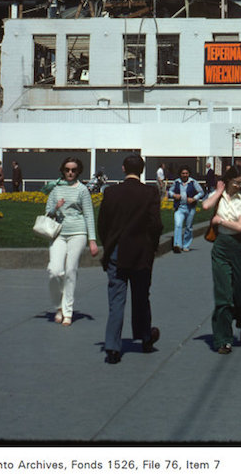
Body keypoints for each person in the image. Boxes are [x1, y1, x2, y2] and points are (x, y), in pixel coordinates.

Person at [97, 153, 162, 365]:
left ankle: (113, 347)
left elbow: (103, 224)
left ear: (123, 169)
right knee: (141, 297)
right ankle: (144, 338)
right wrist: (152, 246)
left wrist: (108, 245)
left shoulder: (111, 192)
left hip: (116, 251)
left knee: (116, 300)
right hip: (141, 252)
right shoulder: (150, 193)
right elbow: (155, 224)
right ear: (142, 170)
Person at [202, 165, 241, 354]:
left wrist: (220, 221)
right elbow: (206, 206)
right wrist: (219, 191)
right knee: (223, 296)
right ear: (229, 181)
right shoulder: (220, 197)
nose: (239, 186)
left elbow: (240, 227)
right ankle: (223, 339)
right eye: (236, 182)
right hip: (221, 246)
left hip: (240, 248)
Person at [45, 156, 98, 326]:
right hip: (58, 233)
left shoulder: (82, 190)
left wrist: (92, 240)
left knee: (70, 271)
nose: (70, 173)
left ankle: (67, 311)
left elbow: (89, 214)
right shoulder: (55, 189)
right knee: (54, 271)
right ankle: (58, 306)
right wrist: (56, 208)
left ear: (78, 171)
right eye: (67, 169)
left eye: (73, 170)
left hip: (78, 232)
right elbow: (47, 214)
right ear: (63, 170)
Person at [168, 165, 204, 253]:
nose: (185, 175)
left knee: (189, 227)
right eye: (183, 173)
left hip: (190, 208)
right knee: (178, 225)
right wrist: (174, 195)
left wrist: (194, 198)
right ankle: (177, 245)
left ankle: (186, 245)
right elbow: (170, 191)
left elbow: (201, 192)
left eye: (186, 173)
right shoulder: (176, 182)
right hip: (179, 207)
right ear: (180, 174)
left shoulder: (193, 182)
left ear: (189, 174)